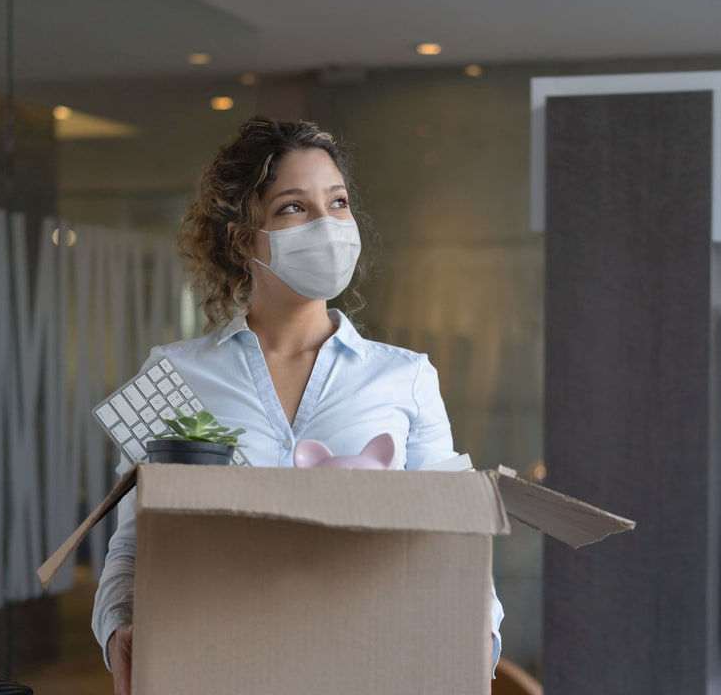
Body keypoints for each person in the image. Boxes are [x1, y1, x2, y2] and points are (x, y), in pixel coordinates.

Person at [91, 116, 503, 694]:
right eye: (293, 207)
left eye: (337, 202)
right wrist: (118, 628)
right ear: (242, 236)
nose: (328, 225)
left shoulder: (405, 377)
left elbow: (456, 536)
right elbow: (136, 544)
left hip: (369, 670)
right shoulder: (174, 377)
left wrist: (477, 641)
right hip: (219, 668)